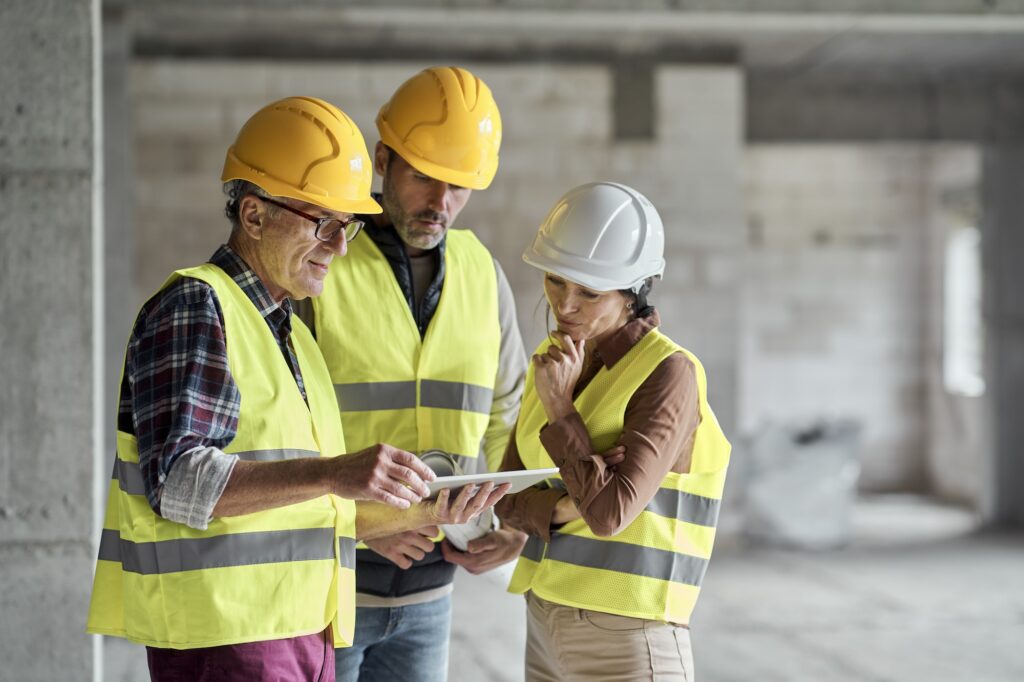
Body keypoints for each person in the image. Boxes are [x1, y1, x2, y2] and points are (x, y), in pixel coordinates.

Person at [85, 96, 507, 682]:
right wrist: (335, 472)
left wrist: (437, 510)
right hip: (229, 637)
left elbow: (299, 512)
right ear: (253, 215)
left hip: (302, 629)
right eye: (323, 224)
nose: (340, 246)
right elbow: (178, 482)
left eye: (349, 227)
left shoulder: (293, 335)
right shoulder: (197, 306)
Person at [294, 66, 528, 682]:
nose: (440, 203)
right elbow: (278, 428)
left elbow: (513, 414)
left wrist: (510, 524)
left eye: (458, 186)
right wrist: (363, 525)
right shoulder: (320, 265)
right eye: (425, 176)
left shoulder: (483, 274)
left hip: (433, 594)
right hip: (330, 583)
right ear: (381, 160)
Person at [495, 182, 732, 681]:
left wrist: (562, 410)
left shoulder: (669, 374)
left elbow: (607, 514)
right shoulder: (555, 363)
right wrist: (564, 504)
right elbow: (505, 498)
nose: (565, 305)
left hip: (630, 634)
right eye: (556, 281)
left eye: (590, 292)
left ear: (634, 292)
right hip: (543, 619)